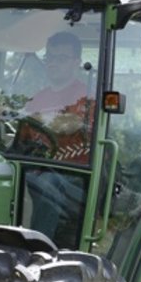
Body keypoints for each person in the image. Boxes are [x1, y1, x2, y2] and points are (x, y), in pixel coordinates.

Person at [14, 30, 93, 245]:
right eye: (50, 57)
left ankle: (38, 250)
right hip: (37, 168)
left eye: (61, 58)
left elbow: (68, 123)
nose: (53, 63)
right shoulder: (39, 97)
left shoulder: (86, 96)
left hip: (74, 177)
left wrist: (28, 115)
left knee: (48, 183)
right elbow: (20, 135)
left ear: (77, 62)